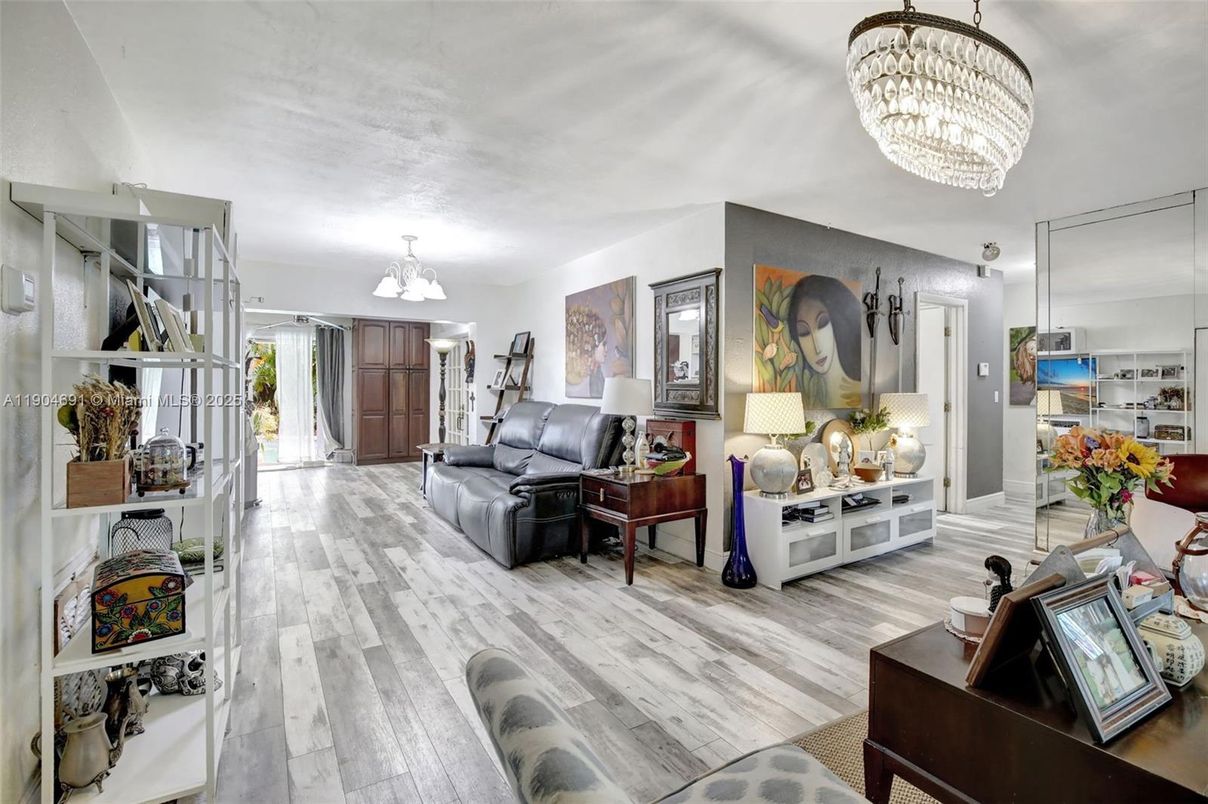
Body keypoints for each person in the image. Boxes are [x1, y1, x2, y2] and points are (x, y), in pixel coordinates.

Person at [788, 275, 863, 408]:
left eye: (822, 324)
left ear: (837, 320)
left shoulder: (862, 392)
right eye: (803, 332)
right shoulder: (806, 400)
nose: (817, 348)